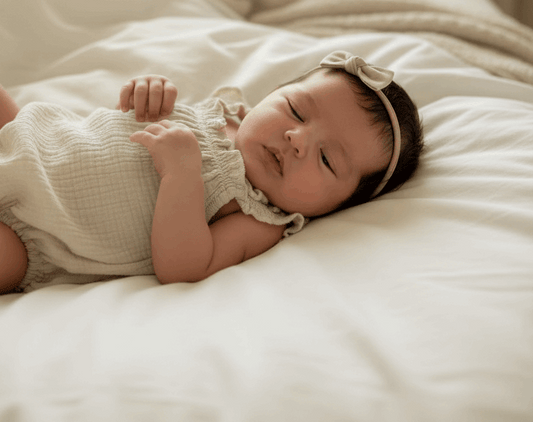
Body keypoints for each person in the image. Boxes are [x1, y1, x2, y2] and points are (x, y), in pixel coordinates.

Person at [0, 51, 423, 293]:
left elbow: (184, 267)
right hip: (32, 139)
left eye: (327, 159)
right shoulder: (220, 115)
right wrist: (144, 95)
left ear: (338, 205)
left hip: (32, 231)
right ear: (274, 93)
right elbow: (117, 138)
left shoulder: (259, 218)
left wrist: (182, 178)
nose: (297, 139)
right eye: (295, 110)